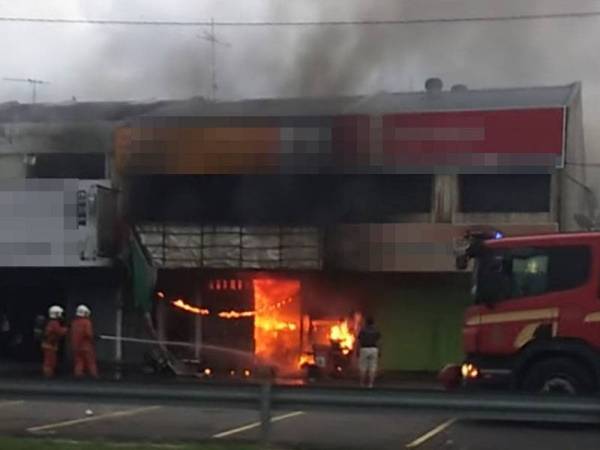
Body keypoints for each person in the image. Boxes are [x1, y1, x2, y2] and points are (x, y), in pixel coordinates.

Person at [70, 304, 98, 378]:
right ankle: (93, 374)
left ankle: (78, 374)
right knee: (90, 361)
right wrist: (94, 337)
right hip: (86, 346)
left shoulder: (74, 322)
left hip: (76, 346)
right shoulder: (86, 322)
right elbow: (88, 334)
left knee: (79, 361)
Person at [41, 306, 68, 378]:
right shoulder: (54, 323)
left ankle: (49, 373)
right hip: (50, 345)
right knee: (50, 361)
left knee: (50, 360)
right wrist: (66, 329)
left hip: (49, 344)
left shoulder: (51, 322)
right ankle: (48, 374)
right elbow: (59, 332)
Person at [357, 316, 381, 388]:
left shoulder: (362, 331)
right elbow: (380, 342)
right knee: (373, 367)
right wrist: (379, 350)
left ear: (366, 323)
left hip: (364, 349)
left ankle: (362, 384)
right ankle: (370, 384)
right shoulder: (376, 331)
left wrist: (357, 350)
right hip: (374, 349)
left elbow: (358, 341)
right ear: (373, 323)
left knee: (363, 367)